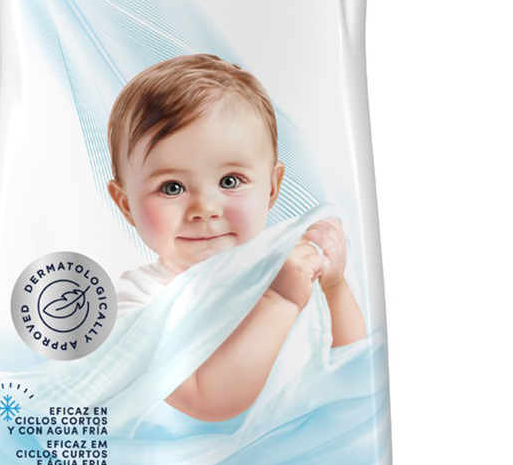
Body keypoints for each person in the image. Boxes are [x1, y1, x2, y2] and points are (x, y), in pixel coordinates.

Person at [106, 53, 366, 422]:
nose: (205, 209)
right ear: (126, 204)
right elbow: (205, 400)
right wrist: (280, 300)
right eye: (172, 187)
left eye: (230, 181)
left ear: (272, 188)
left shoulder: (286, 267)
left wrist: (335, 289)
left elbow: (352, 366)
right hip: (205, 457)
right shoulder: (138, 302)